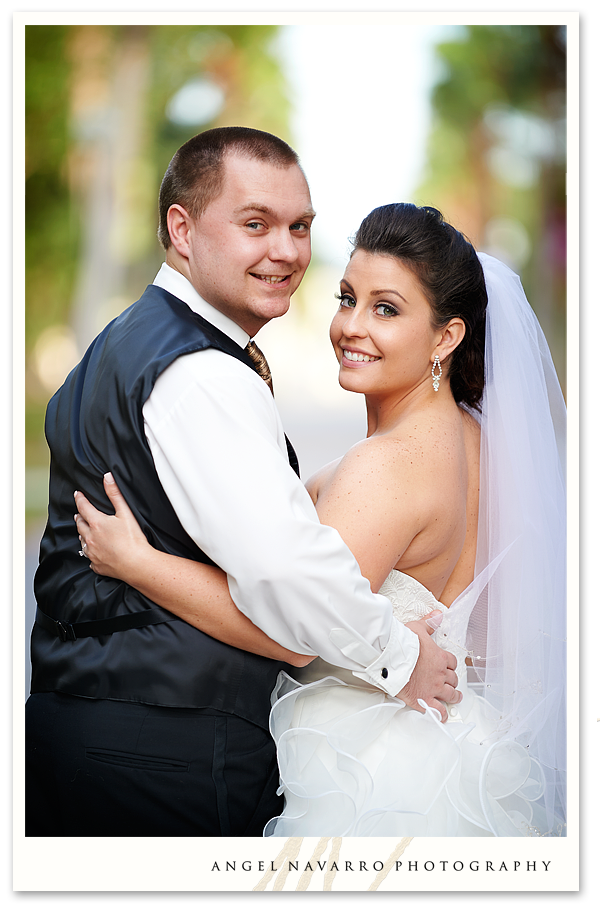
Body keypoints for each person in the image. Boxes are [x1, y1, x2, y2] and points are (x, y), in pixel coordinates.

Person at [74, 203, 567, 837]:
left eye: (385, 309)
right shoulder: (478, 441)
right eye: (347, 298)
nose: (351, 326)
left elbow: (294, 636)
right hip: (458, 752)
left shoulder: (386, 464)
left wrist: (140, 564)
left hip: (365, 773)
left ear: (446, 336)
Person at [26, 130, 461, 837]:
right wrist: (400, 655)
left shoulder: (127, 342)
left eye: (299, 228)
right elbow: (287, 579)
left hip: (101, 735)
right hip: (166, 755)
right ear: (182, 229)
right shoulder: (201, 374)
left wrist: (140, 562)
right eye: (255, 224)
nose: (286, 251)